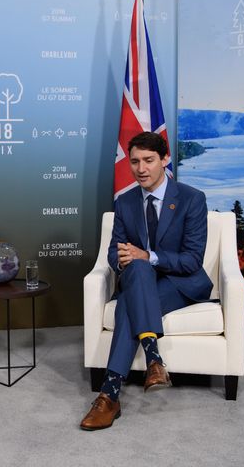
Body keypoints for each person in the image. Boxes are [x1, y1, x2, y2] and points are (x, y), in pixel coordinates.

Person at [80, 132, 213, 430]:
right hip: (142, 280)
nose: (141, 169)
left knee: (131, 297)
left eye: (149, 161)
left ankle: (110, 394)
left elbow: (192, 260)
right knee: (137, 271)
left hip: (181, 284)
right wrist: (123, 259)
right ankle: (154, 360)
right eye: (135, 161)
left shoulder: (192, 199)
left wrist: (148, 256)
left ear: (165, 160)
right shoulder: (125, 202)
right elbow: (115, 252)